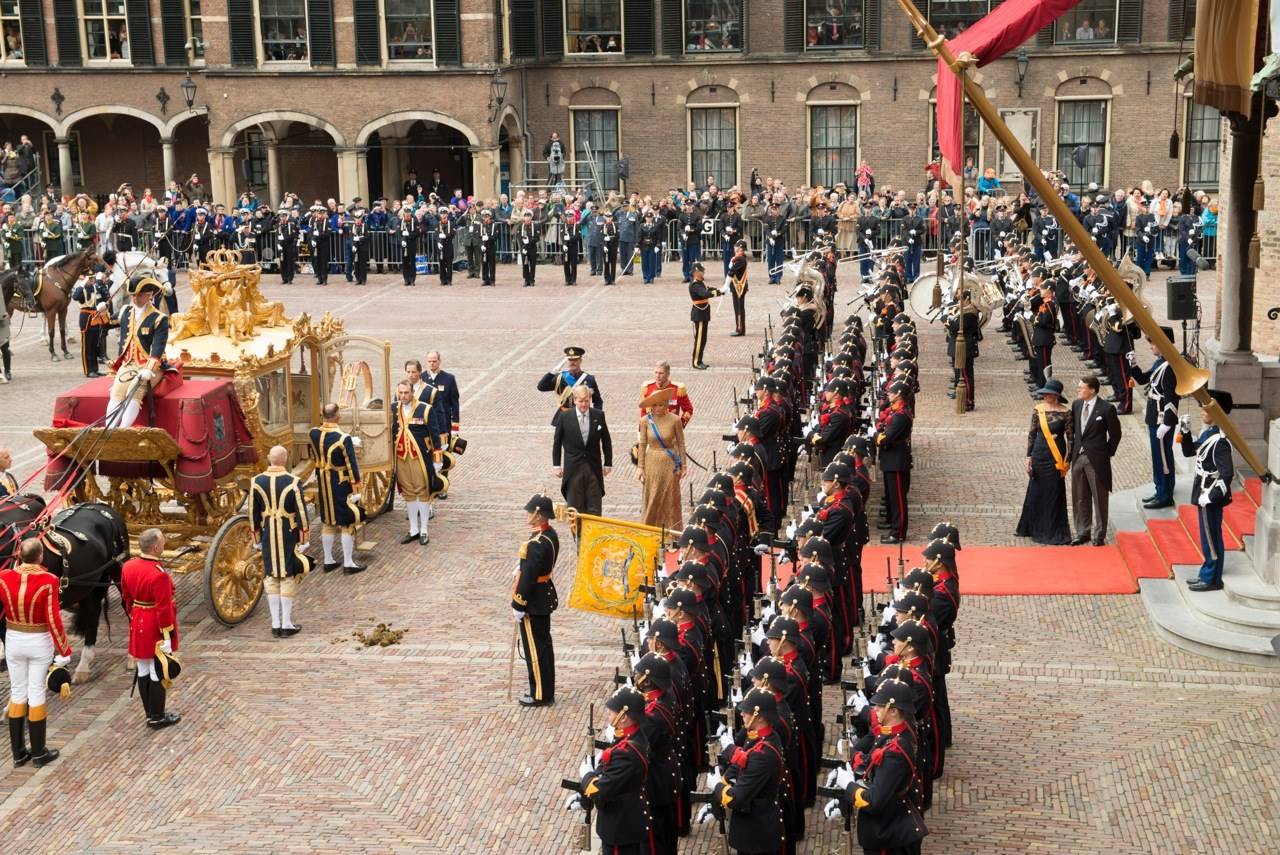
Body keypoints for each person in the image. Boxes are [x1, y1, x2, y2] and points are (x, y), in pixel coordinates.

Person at [1, 538, 72, 767]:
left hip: (13, 639)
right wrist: (63, 650)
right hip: (38, 641)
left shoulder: (3, 577)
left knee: (17, 692)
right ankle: (39, 752)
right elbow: (53, 619)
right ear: (40, 556)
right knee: (36, 692)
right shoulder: (48, 580)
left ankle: (18, 753)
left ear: (19, 555)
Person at [707, 687, 785, 853]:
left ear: (760, 717)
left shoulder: (763, 753)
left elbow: (736, 798)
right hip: (754, 827)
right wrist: (724, 779)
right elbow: (743, 762)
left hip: (757, 833)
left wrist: (717, 787)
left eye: (746, 711)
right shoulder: (761, 737)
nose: (742, 713)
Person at [120, 528, 182, 730]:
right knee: (158, 671)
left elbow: (127, 598)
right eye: (162, 543)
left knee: (143, 669)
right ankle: (157, 716)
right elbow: (163, 609)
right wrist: (167, 636)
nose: (164, 546)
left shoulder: (128, 566)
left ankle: (150, 713)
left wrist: (134, 615)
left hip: (138, 620)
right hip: (154, 625)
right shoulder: (159, 575)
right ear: (155, 548)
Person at [574, 687, 651, 846]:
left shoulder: (627, 754)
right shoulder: (630, 735)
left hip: (621, 826)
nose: (609, 712)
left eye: (612, 711)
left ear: (623, 717)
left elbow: (601, 791)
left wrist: (587, 776)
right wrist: (583, 794)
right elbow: (610, 774)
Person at [249, 446, 311, 637]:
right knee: (287, 575)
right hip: (288, 533)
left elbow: (252, 513)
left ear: (269, 458)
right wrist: (304, 538)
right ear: (285, 459)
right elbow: (301, 512)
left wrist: (256, 537)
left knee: (271, 576)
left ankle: (276, 624)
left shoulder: (256, 481)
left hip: (268, 533)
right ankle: (286, 624)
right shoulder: (293, 482)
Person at [1179, 391, 1235, 592]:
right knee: (1207, 537)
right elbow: (1189, 451)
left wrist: (1210, 496)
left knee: (1211, 538)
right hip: (1203, 492)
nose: (1201, 410)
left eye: (1206, 407)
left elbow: (1228, 474)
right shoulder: (1209, 433)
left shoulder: (1220, 441)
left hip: (1210, 495)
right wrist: (1185, 432)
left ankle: (1212, 578)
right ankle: (1207, 572)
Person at [511, 494, 559, 706]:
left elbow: (529, 576)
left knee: (536, 651)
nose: (528, 515)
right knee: (543, 646)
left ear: (539, 515)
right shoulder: (550, 535)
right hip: (543, 596)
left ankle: (540, 693)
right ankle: (545, 689)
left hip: (533, 601)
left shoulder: (537, 544)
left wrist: (518, 603)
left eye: (531, 512)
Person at [309, 405, 368, 575]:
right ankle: (348, 563)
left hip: (323, 482)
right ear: (337, 416)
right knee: (346, 522)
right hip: (340, 484)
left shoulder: (313, 433)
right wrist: (357, 487)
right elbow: (351, 465)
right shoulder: (343, 439)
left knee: (327, 521)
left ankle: (328, 560)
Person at [108, 274, 170, 429]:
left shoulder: (159, 318)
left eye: (140, 295)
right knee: (117, 391)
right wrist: (100, 310)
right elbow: (106, 322)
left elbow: (157, 348)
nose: (135, 299)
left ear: (149, 296)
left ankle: (124, 429)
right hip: (128, 364)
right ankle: (109, 428)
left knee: (135, 388)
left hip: (150, 367)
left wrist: (149, 369)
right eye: (133, 295)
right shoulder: (125, 311)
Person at [1128, 328, 1181, 510]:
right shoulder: (1161, 362)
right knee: (1161, 456)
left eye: (1153, 343)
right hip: (1155, 417)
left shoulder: (1168, 367)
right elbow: (1144, 379)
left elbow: (1172, 398)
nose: (1151, 347)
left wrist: (1167, 423)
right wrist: (1133, 366)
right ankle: (1162, 489)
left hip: (1160, 420)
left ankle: (1164, 495)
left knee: (1162, 458)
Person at [1016, 378, 1073, 545]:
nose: (1045, 396)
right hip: (1039, 453)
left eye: (1048, 394)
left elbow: (1071, 438)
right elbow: (1032, 434)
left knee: (1053, 491)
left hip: (1056, 456)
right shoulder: (1038, 410)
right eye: (1045, 393)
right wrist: (1028, 457)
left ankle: (1051, 527)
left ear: (1056, 396)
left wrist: (1067, 461)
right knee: (1037, 490)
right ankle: (1033, 527)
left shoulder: (1066, 412)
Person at [1068, 375, 1123, 545]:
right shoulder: (1076, 405)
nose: (1078, 390)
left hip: (1097, 459)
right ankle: (1082, 531)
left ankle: (1099, 534)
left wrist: (1106, 452)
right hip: (1078, 457)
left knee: (1099, 498)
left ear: (1092, 390)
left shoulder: (1106, 409)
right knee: (1080, 496)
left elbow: (1115, 434)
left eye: (1081, 387)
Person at [392, 380, 446, 546]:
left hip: (420, 458)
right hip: (401, 457)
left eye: (406, 393)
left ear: (412, 392)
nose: (403, 396)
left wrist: (438, 460)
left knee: (422, 492)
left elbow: (435, 435)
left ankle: (424, 530)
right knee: (408, 492)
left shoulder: (425, 409)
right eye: (400, 393)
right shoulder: (393, 409)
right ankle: (413, 529)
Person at [552, 385, 612, 516]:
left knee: (594, 506)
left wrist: (608, 463)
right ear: (574, 400)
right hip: (573, 468)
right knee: (575, 507)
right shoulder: (564, 417)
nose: (584, 404)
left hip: (593, 468)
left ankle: (593, 535)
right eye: (581, 401)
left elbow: (606, 440)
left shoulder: (598, 415)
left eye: (586, 400)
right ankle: (577, 536)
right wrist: (556, 465)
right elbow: (557, 442)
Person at [638, 386, 687, 530]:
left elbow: (681, 443)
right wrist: (640, 467)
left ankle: (673, 532)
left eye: (661, 404)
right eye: (654, 405)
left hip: (670, 464)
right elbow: (642, 444)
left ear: (667, 404)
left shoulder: (675, 420)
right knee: (652, 496)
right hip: (652, 462)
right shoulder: (645, 421)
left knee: (670, 498)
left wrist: (684, 465)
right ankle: (650, 529)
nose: (658, 408)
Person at [876, 381, 913, 545]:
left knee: (898, 498)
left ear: (898, 394)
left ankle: (898, 532)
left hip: (896, 460)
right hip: (891, 459)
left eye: (891, 392)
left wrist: (875, 438)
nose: (888, 394)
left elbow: (886, 437)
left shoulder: (901, 416)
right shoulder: (896, 412)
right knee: (892, 495)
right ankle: (893, 524)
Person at [537, 346, 603, 422]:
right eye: (570, 360)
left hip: (582, 418)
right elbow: (541, 387)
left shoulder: (589, 379)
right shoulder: (560, 377)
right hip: (564, 417)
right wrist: (552, 372)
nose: (572, 362)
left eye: (575, 359)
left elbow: (597, 400)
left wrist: (595, 418)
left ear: (580, 360)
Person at [70, 269, 112, 378]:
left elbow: (101, 295)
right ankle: (88, 370)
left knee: (95, 345)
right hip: (85, 317)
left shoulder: (93, 287)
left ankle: (95, 369)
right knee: (87, 346)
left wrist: (102, 305)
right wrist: (81, 285)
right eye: (90, 279)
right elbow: (75, 297)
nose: (92, 281)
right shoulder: (82, 288)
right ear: (86, 279)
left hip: (95, 316)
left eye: (93, 278)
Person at [688, 262, 722, 370]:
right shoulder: (695, 285)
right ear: (696, 272)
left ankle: (700, 360)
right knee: (699, 340)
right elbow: (705, 294)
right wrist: (718, 293)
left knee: (703, 339)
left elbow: (708, 289)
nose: (703, 272)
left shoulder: (700, 283)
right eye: (701, 271)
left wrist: (720, 290)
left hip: (703, 314)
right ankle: (696, 362)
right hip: (699, 315)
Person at [639, 361, 694, 427]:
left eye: (661, 373)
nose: (657, 376)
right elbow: (644, 411)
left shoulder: (678, 389)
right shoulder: (648, 388)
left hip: (671, 430)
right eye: (656, 373)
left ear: (668, 374)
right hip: (653, 430)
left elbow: (688, 410)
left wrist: (679, 425)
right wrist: (642, 427)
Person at [727, 239, 748, 336]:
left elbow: (731, 272)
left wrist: (725, 285)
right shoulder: (739, 258)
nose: (734, 247)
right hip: (737, 286)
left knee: (738, 308)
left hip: (739, 286)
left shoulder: (740, 259)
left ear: (740, 248)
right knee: (738, 308)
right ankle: (740, 328)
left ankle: (740, 329)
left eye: (736, 246)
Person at [517, 210, 539, 287]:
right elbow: (519, 237)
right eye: (526, 216)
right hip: (524, 248)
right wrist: (522, 247)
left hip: (532, 248)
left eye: (529, 216)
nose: (527, 217)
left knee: (532, 265)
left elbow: (537, 238)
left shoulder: (535, 226)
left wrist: (529, 241)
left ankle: (532, 280)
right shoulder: (521, 226)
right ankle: (526, 280)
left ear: (531, 217)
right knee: (525, 264)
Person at [601, 210, 619, 285]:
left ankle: (612, 279)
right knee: (606, 263)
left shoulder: (616, 225)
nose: (609, 218)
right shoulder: (602, 226)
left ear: (612, 218)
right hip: (606, 247)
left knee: (613, 263)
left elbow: (617, 236)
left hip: (613, 246)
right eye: (607, 217)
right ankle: (606, 279)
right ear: (605, 218)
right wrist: (604, 246)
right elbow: (601, 237)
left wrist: (610, 239)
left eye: (610, 217)